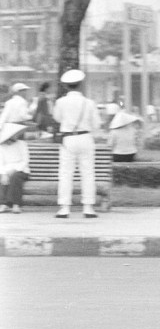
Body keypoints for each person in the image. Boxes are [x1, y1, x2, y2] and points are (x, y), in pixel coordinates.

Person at [53, 69, 102, 219]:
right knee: (87, 173)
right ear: (80, 85)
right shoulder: (89, 103)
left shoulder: (60, 102)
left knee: (65, 173)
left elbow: (57, 118)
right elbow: (97, 124)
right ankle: (88, 208)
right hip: (85, 137)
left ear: (66, 86)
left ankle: (64, 208)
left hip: (68, 138)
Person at [0, 123, 30, 214]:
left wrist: (15, 169)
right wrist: (4, 174)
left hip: (21, 170)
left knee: (15, 177)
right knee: (2, 179)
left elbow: (25, 160)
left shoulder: (22, 144)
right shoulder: (1, 146)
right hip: (6, 170)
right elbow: (1, 162)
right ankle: (3, 204)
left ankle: (16, 205)